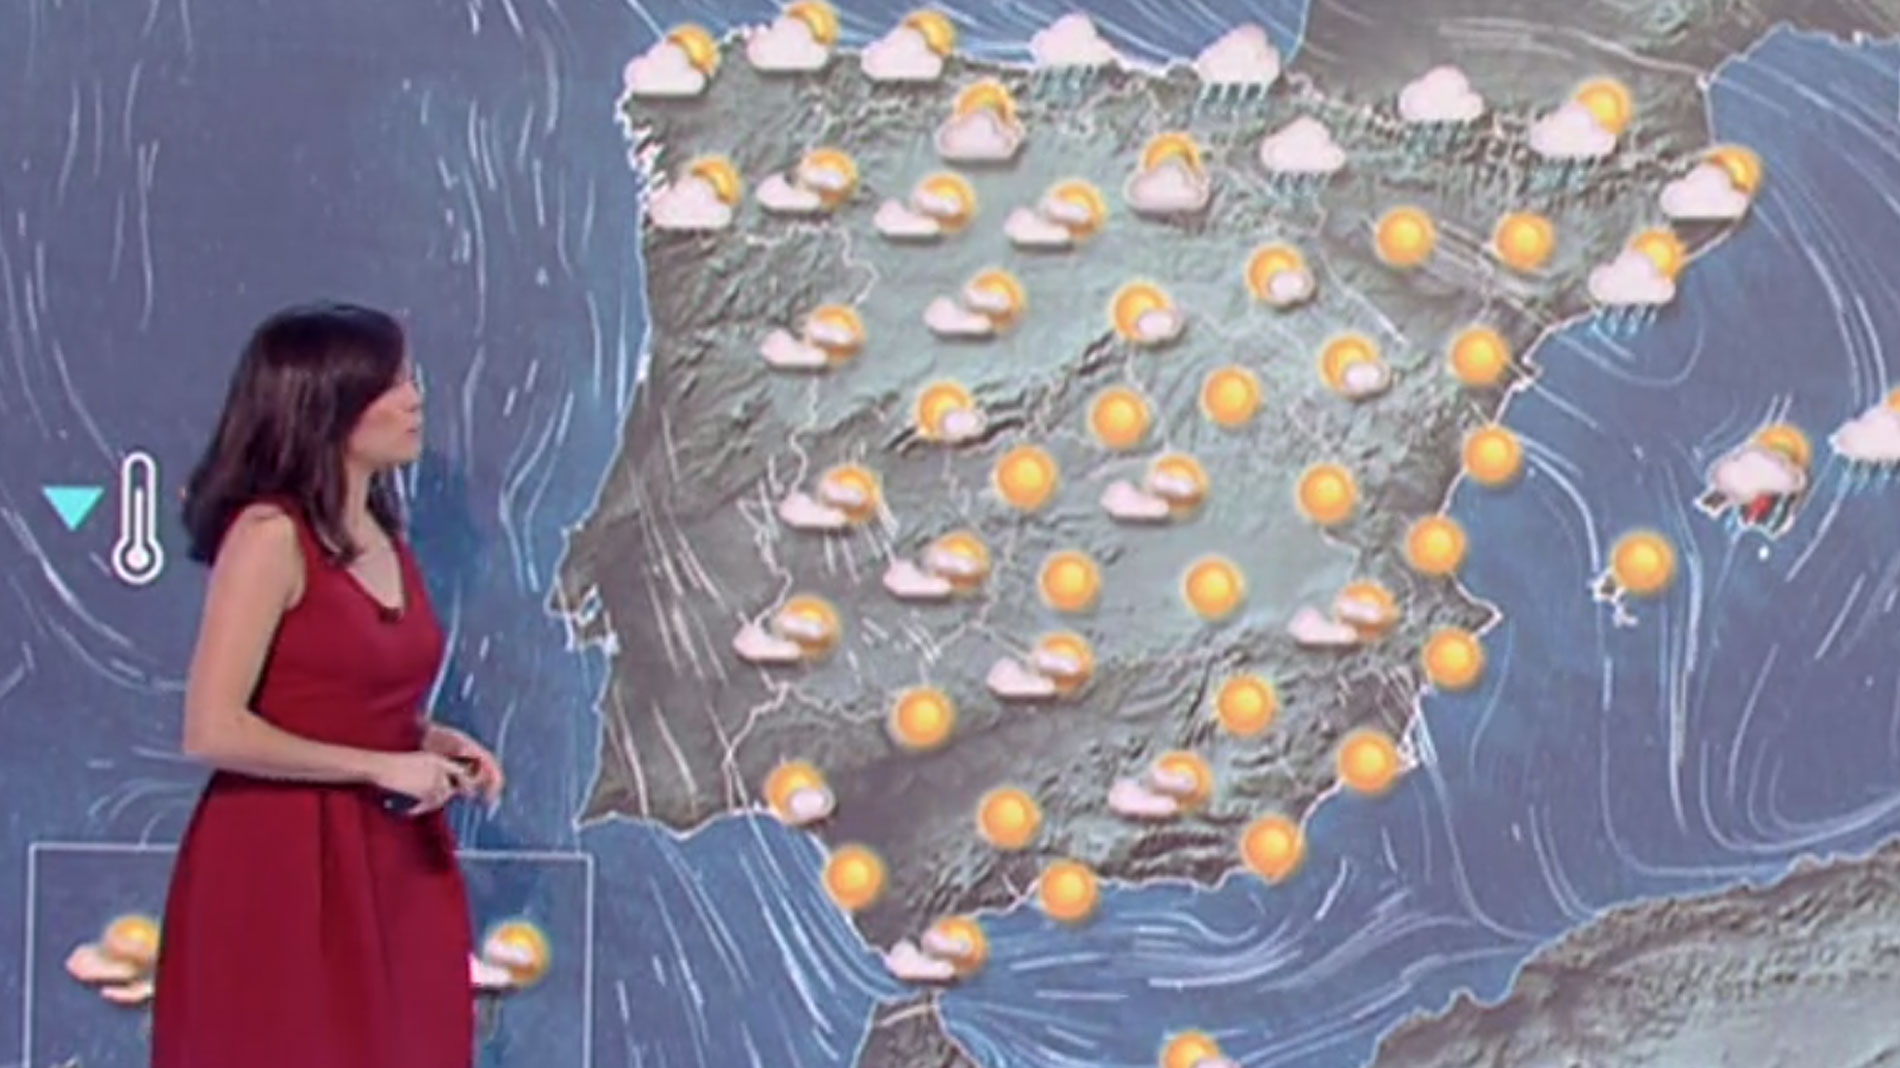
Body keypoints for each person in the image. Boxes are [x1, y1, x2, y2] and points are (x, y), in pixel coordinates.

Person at [149, 301, 505, 1068]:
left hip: (394, 859)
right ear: (328, 405)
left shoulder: (381, 531)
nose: (415, 400)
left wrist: (430, 740)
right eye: (392, 385)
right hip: (283, 863)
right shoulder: (270, 538)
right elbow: (213, 728)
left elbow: (338, 697)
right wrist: (378, 766)